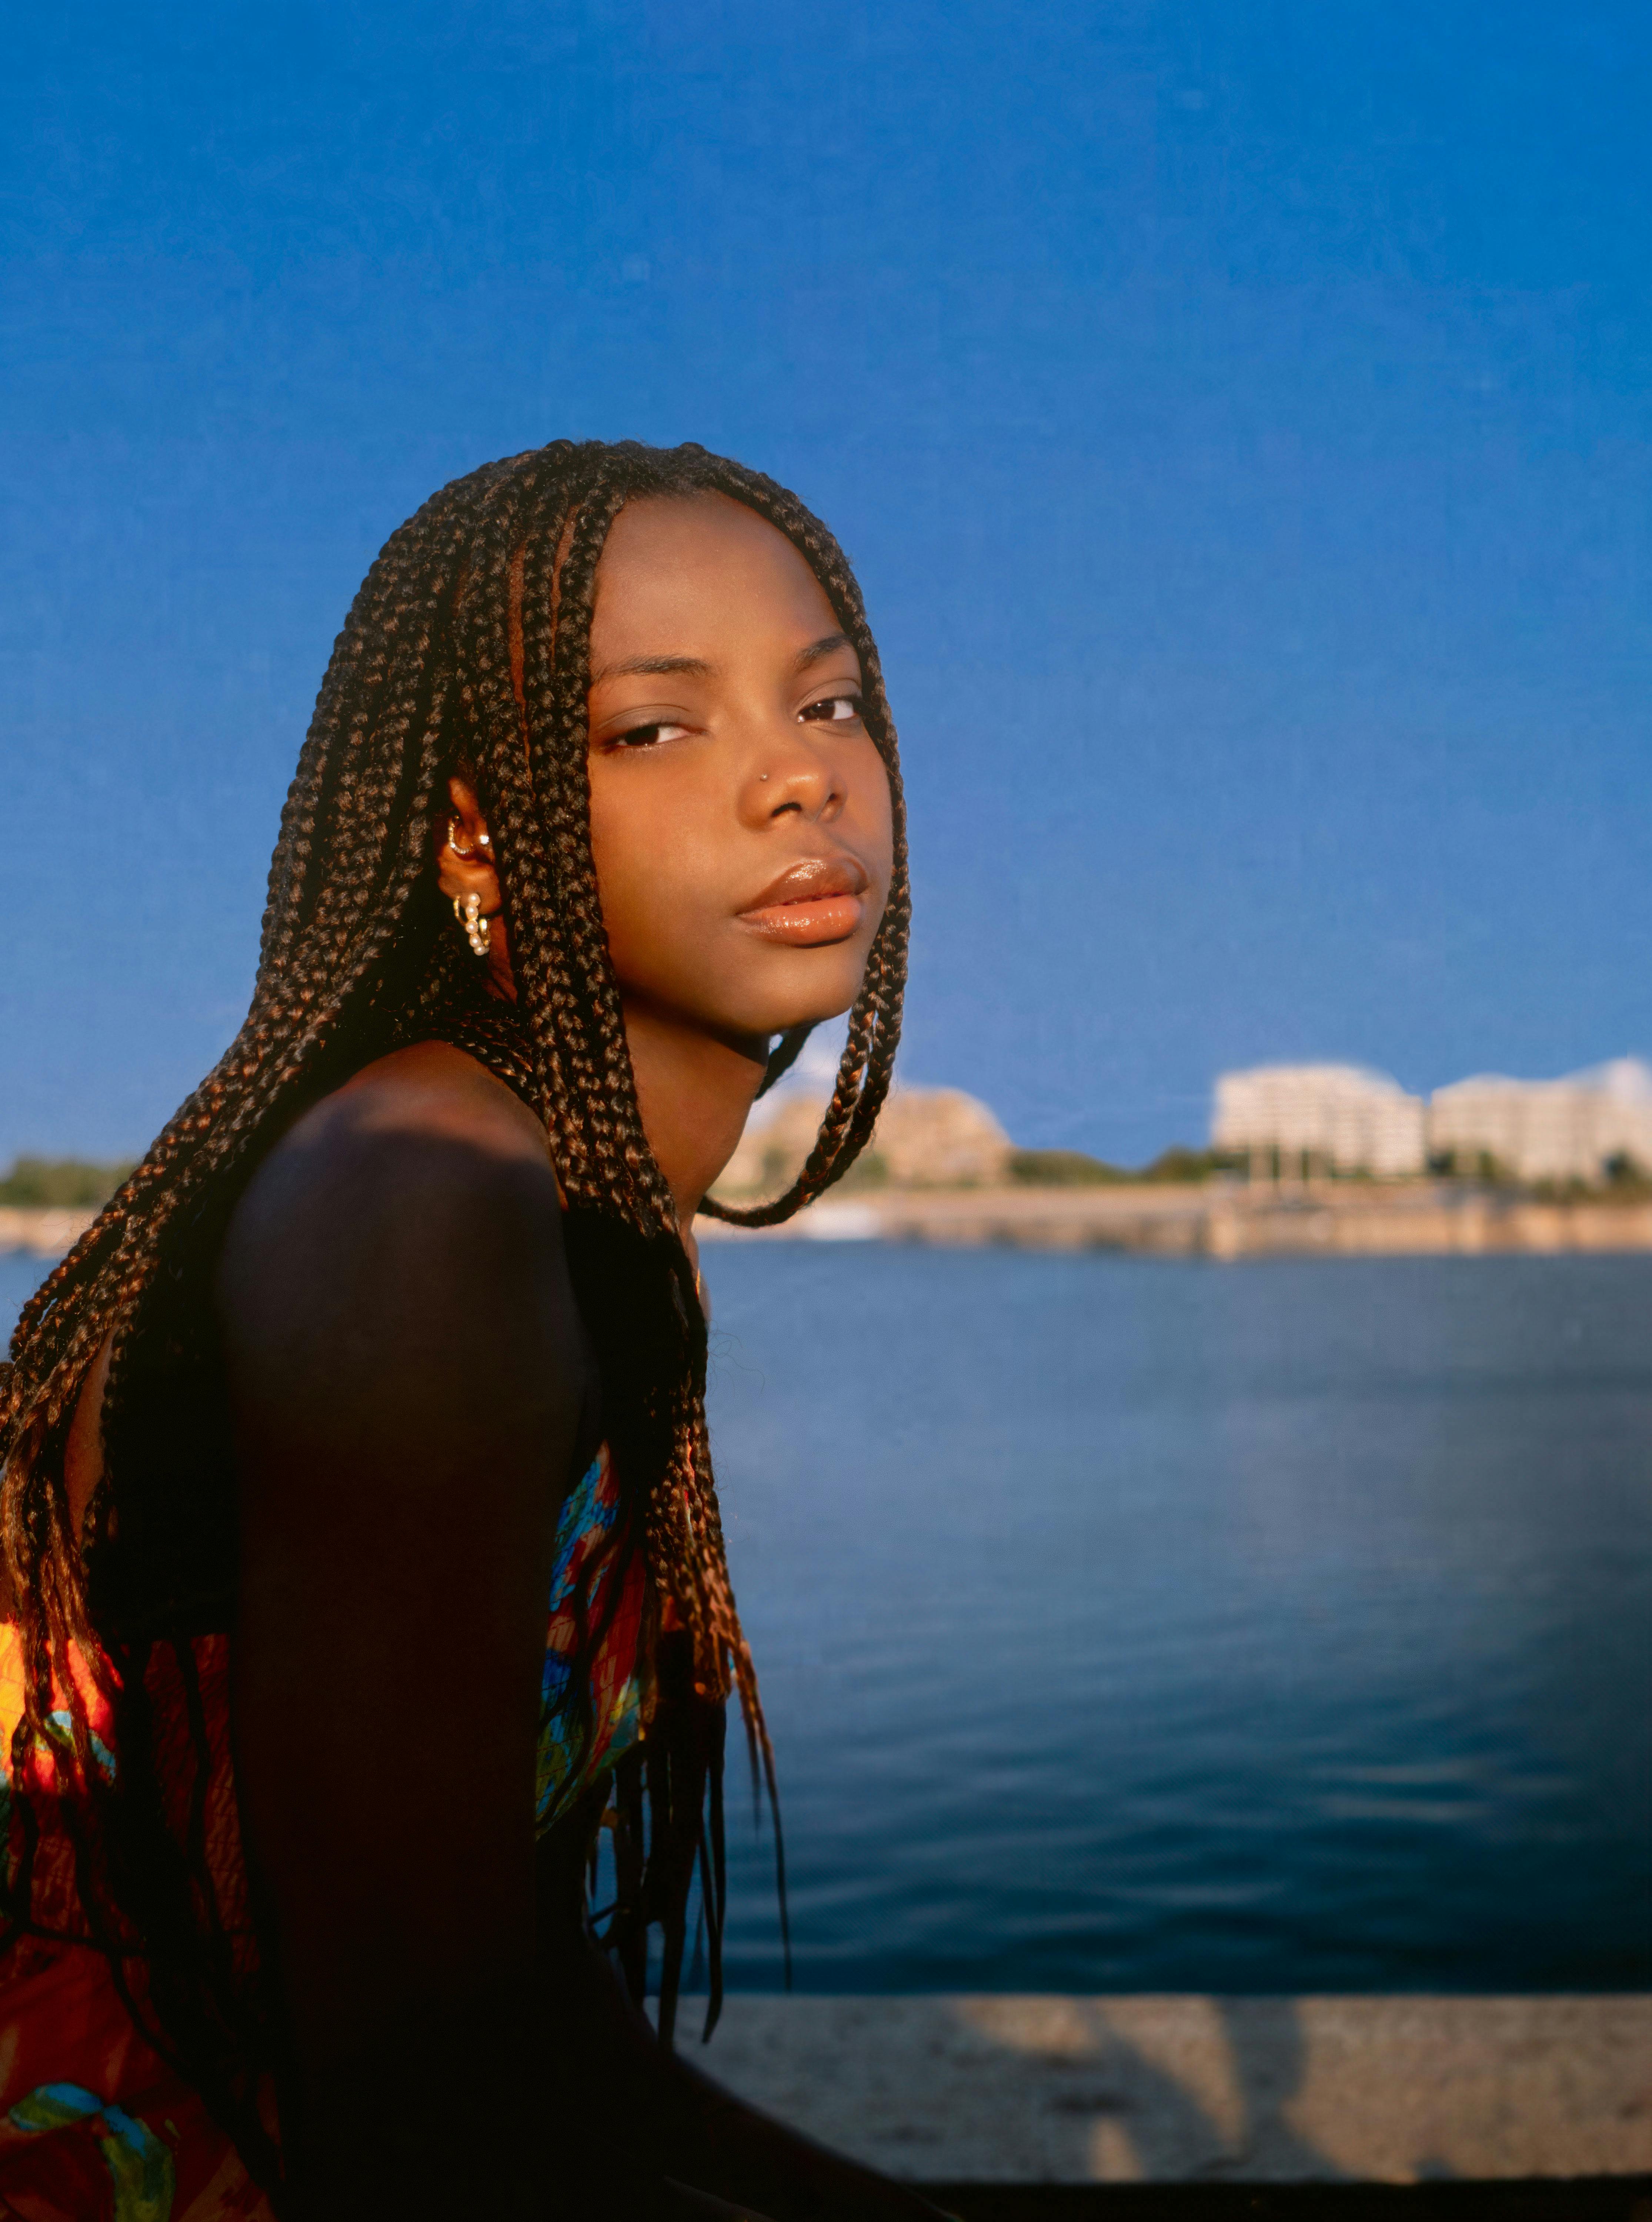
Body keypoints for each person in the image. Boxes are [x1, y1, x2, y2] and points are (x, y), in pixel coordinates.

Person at [0, 441, 944, 2219]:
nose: (795, 781)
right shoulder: (424, 1195)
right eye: (657, 727)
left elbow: (495, 1978)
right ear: (467, 824)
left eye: (829, 702)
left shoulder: (565, 1198)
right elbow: (409, 2101)